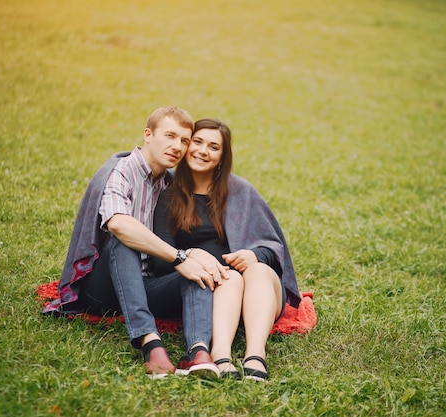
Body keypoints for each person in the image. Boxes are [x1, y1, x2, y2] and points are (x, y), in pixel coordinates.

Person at [43, 107, 230, 379]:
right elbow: (118, 223)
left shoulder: (169, 183)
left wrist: (192, 257)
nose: (177, 146)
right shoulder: (120, 172)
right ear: (148, 134)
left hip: (147, 284)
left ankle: (198, 352)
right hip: (103, 290)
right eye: (169, 136)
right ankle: (150, 343)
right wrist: (180, 258)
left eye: (184, 141)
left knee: (196, 273)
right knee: (124, 237)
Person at [152, 118, 302, 381]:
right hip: (214, 290)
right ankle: (221, 355)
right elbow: (162, 258)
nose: (202, 151)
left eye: (213, 147)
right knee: (228, 277)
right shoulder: (168, 195)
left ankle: (256, 355)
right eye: (197, 142)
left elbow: (273, 247)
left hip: (258, 295)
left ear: (222, 157)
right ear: (186, 147)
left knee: (258, 270)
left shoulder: (240, 191)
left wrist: (253, 254)